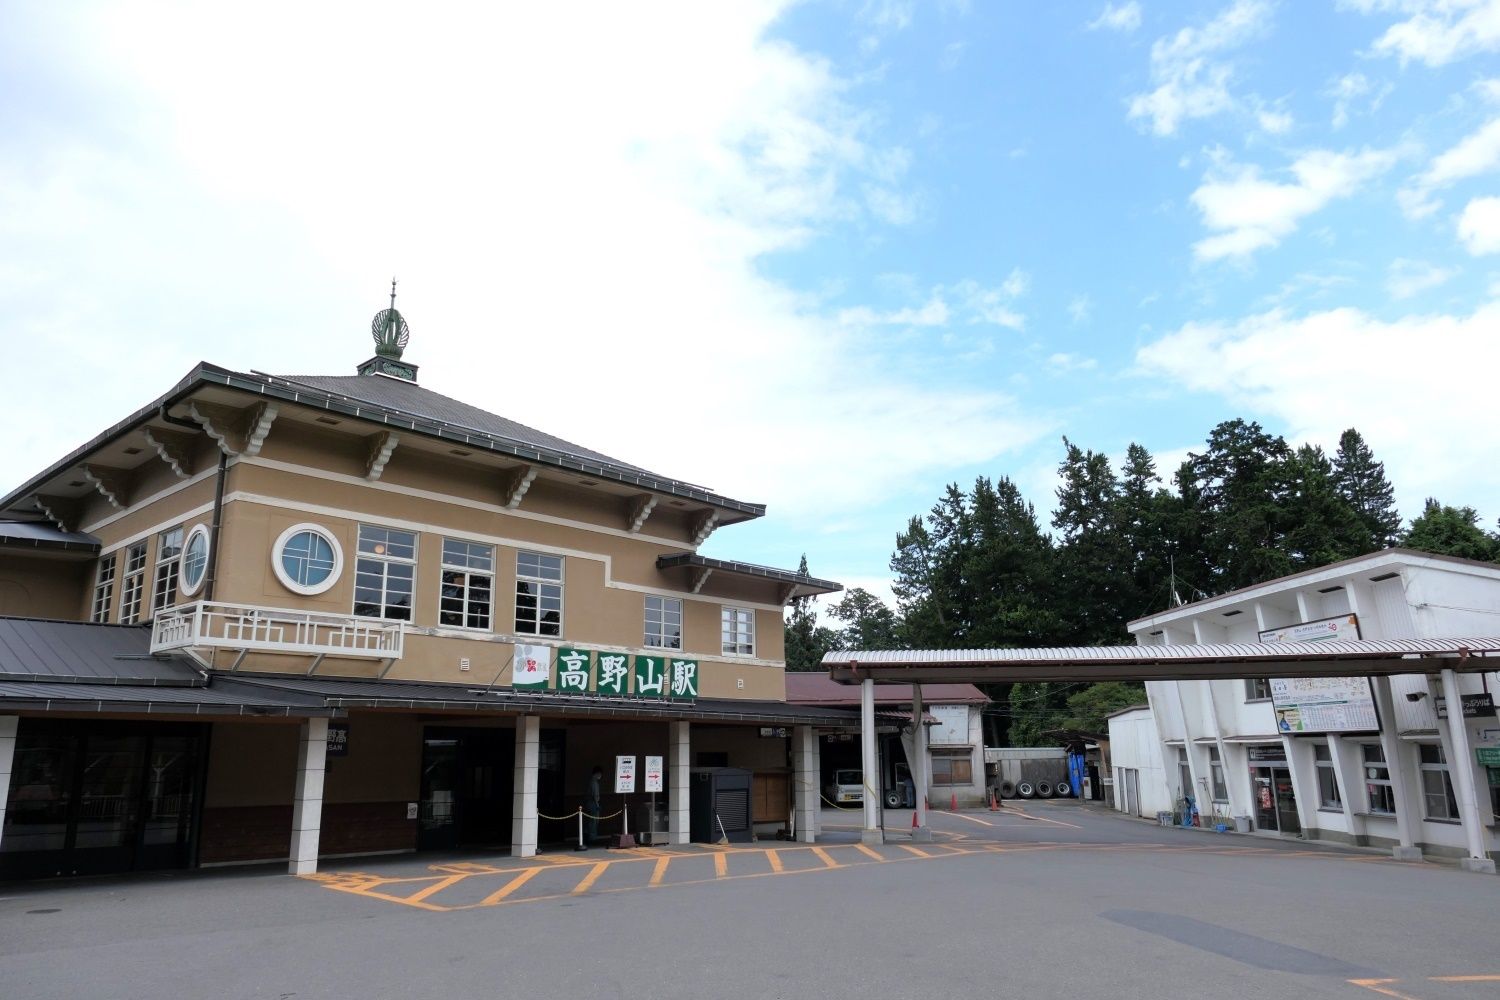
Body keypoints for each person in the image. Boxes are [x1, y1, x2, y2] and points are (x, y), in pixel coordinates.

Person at [585, 765, 603, 845]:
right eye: (600, 774)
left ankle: (587, 837)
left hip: (588, 804)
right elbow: (595, 796)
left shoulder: (590, 781)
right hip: (593, 804)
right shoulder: (594, 782)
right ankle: (592, 838)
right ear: (597, 773)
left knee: (589, 822)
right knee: (594, 822)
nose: (601, 776)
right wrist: (597, 805)